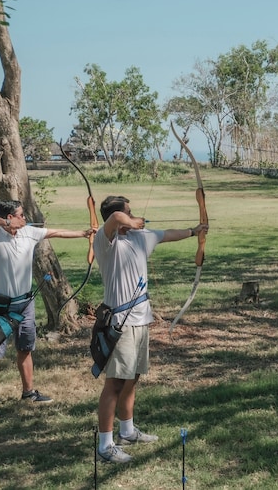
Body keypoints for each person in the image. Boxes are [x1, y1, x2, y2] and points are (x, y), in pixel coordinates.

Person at [94, 194, 208, 464]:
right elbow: (116, 218)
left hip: (141, 319)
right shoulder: (106, 241)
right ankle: (105, 445)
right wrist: (130, 221)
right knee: (115, 382)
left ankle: (127, 430)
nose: (133, 215)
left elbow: (168, 234)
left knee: (133, 377)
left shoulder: (141, 237)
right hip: (120, 323)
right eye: (128, 212)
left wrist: (195, 231)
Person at [0, 199, 93, 421]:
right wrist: (6, 224)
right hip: (0, 306)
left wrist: (82, 233)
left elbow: (56, 232)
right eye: (21, 215)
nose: (25, 218)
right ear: (9, 217)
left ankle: (28, 392)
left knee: (25, 348)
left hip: (25, 303)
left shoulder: (29, 233)